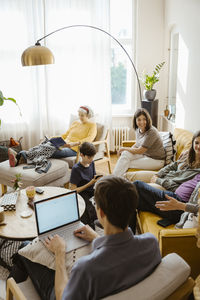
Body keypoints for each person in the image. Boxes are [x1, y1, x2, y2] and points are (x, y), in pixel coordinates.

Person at [9, 176, 161, 300]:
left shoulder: (86, 269)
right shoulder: (151, 243)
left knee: (25, 248)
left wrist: (60, 253)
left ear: (100, 213)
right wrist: (96, 237)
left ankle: (10, 289)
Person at [133, 130, 200, 226]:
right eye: (196, 143)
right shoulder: (189, 155)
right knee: (135, 197)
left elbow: (177, 186)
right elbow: (173, 165)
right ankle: (126, 230)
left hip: (176, 199)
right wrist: (158, 175)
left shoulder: (197, 172)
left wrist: (159, 180)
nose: (198, 146)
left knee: (137, 186)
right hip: (169, 184)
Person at [8, 105, 97, 167]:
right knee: (44, 144)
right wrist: (52, 138)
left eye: (82, 116)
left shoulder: (92, 125)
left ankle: (22, 155)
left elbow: (89, 139)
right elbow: (65, 135)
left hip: (74, 149)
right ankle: (22, 157)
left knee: (51, 150)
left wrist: (74, 143)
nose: (80, 117)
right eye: (79, 115)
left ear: (88, 115)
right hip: (63, 144)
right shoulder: (75, 123)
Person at [113, 108, 165, 177]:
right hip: (145, 155)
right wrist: (127, 152)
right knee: (125, 155)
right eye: (139, 119)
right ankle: (116, 179)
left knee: (127, 163)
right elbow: (137, 144)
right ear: (135, 121)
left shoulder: (152, 132)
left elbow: (140, 150)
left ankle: (114, 180)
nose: (142, 122)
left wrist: (124, 148)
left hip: (156, 160)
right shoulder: (138, 130)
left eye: (144, 119)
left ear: (148, 119)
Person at [69, 142, 100, 228]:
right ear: (82, 155)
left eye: (93, 157)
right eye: (89, 157)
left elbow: (93, 175)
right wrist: (90, 183)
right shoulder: (76, 169)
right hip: (82, 193)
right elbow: (73, 190)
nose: (91, 159)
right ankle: (90, 227)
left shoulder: (91, 163)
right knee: (89, 210)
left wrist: (96, 180)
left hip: (92, 189)